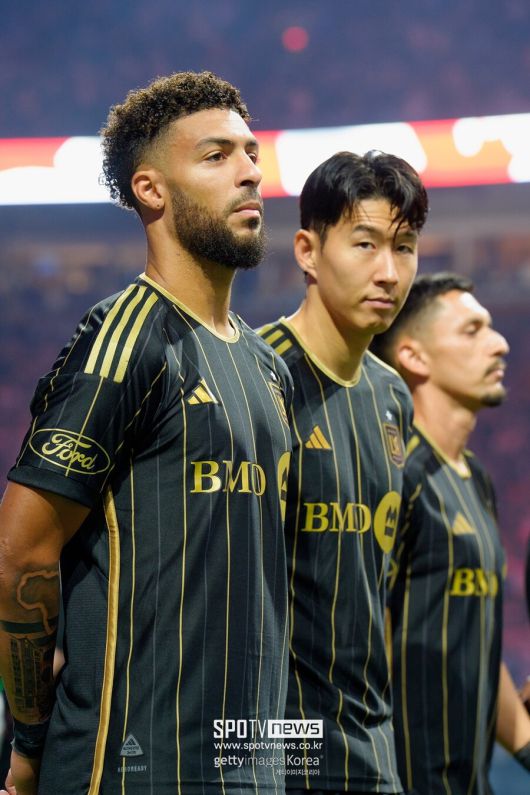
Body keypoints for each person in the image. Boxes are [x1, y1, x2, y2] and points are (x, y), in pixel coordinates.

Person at [0, 70, 293, 795]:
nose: (250, 172)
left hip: (251, 768)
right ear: (151, 189)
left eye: (251, 153)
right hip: (127, 769)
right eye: (217, 155)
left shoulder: (266, 366)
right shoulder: (125, 338)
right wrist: (29, 746)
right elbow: (20, 555)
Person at [259, 150, 429, 793]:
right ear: (308, 251)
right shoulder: (256, 377)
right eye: (365, 244)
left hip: (370, 744)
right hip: (274, 746)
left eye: (404, 248)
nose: (389, 271)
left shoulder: (393, 396)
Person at [371, 272, 530, 794]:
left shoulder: (476, 477)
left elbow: (478, 647)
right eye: (472, 330)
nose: (499, 342)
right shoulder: (394, 475)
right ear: (414, 357)